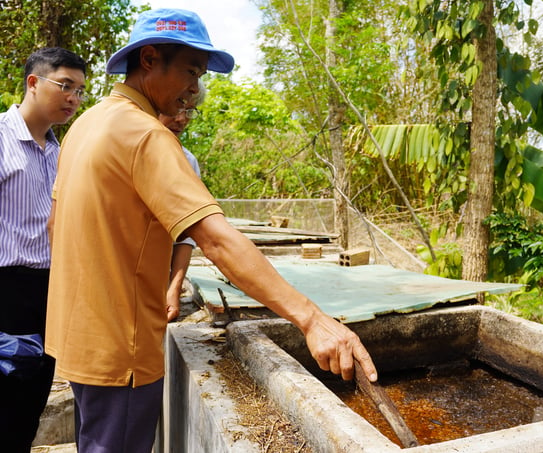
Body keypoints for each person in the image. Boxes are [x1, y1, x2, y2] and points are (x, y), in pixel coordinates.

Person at [45, 8, 377, 452]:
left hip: (79, 339)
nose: (195, 91)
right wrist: (312, 319)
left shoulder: (85, 125)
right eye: (189, 72)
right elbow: (216, 239)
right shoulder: (146, 135)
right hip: (122, 348)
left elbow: (54, 225)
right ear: (149, 59)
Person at [0, 47, 87, 453]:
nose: (73, 97)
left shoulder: (61, 151)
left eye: (81, 90)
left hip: (50, 290)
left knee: (31, 401)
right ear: (33, 83)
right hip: (8, 288)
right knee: (7, 395)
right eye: (65, 85)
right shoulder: (2, 138)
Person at [159, 79, 206, 321]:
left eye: (189, 111)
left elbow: (186, 235)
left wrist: (173, 288)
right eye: (178, 107)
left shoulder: (188, 162)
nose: (182, 119)